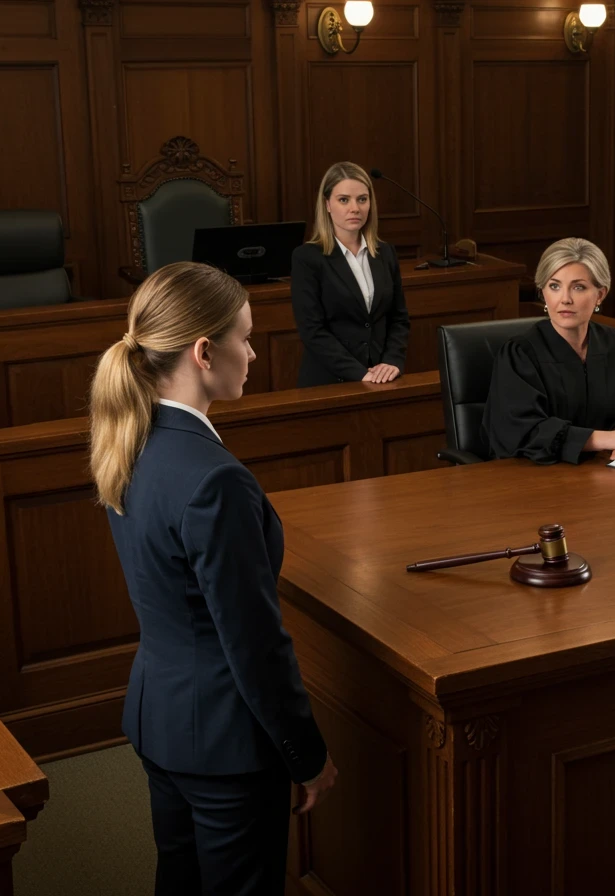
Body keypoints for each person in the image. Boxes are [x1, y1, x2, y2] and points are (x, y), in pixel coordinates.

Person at [88, 262, 336, 895]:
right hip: (225, 743)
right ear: (203, 352)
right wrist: (306, 755)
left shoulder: (129, 441)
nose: (252, 354)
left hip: (160, 718)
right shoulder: (215, 479)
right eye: (245, 338)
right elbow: (254, 645)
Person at [481, 237, 615, 463]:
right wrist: (607, 439)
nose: (565, 299)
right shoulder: (520, 354)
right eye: (554, 286)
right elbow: (522, 431)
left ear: (600, 294)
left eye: (578, 287)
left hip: (612, 465)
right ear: (543, 292)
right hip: (537, 474)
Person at [291, 160, 410, 386]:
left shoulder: (385, 253)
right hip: (329, 382)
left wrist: (392, 361)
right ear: (327, 204)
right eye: (344, 200)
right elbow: (312, 330)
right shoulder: (306, 257)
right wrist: (360, 373)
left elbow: (399, 318)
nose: (355, 208)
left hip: (382, 378)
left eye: (362, 199)